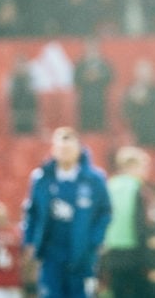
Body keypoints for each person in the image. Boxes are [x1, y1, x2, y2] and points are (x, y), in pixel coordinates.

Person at [21, 126, 111, 298]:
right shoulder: (41, 178)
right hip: (51, 255)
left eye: (69, 148)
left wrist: (95, 241)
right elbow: (31, 212)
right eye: (60, 148)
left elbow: (104, 213)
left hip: (82, 255)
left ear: (78, 150)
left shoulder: (94, 180)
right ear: (53, 150)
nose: (64, 152)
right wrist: (30, 241)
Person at [100, 145, 153, 298]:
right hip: (134, 252)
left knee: (118, 292)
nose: (146, 171)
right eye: (143, 166)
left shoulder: (109, 185)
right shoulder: (138, 188)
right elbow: (140, 224)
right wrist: (146, 257)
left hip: (112, 252)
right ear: (133, 166)